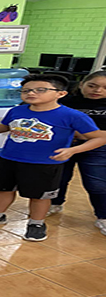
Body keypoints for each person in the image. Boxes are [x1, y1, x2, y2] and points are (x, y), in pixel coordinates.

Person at [0, 74, 106, 242]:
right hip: (9, 158)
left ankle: (36, 223)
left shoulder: (72, 115)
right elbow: (5, 126)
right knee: (4, 189)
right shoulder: (17, 110)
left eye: (40, 90)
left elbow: (100, 137)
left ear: (61, 94)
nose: (31, 93)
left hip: (44, 163)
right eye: (26, 90)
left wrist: (74, 150)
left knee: (39, 196)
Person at [49, 71, 106, 234]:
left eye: (104, 88)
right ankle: (54, 203)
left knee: (97, 183)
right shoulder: (65, 102)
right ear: (81, 85)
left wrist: (86, 136)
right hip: (64, 145)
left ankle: (103, 216)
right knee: (58, 178)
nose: (97, 90)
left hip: (98, 148)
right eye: (92, 86)